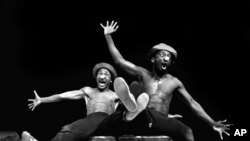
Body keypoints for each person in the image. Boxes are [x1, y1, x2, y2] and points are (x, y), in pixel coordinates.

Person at [100, 21, 231, 141]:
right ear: (153, 59)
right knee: (134, 86)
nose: (166, 58)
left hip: (158, 120)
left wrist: (212, 123)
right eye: (162, 55)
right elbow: (119, 61)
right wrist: (108, 36)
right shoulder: (142, 73)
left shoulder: (174, 82)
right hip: (141, 117)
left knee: (187, 132)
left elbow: (192, 103)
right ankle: (130, 110)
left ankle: (131, 112)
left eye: (169, 57)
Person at [26, 62, 147, 141]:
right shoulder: (88, 91)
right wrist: (42, 99)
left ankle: (131, 105)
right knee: (68, 130)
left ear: (110, 80)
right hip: (90, 124)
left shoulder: (115, 94)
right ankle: (130, 112)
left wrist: (128, 97)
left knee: (121, 111)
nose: (102, 76)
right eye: (100, 73)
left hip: (109, 124)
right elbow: (62, 96)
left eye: (106, 74)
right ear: (96, 78)